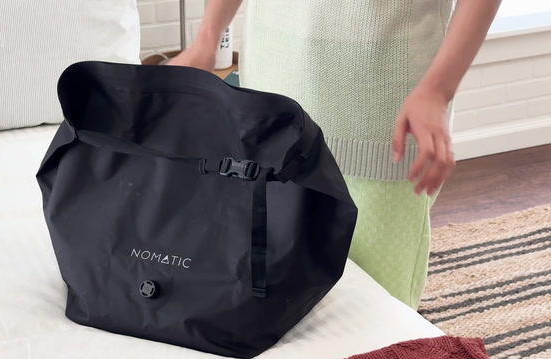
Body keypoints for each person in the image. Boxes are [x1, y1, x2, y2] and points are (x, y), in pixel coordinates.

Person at [169, 0, 502, 309]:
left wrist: (437, 90)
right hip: (271, 99)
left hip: (381, 120)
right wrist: (207, 39)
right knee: (269, 304)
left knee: (375, 315)